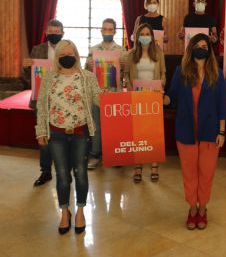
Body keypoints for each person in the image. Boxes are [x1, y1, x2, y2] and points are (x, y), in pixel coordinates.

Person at [35, 40, 101, 234]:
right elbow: (41, 106)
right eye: (62, 54)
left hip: (81, 134)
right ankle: (65, 212)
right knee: (62, 176)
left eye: (70, 53)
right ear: (57, 58)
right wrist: (41, 131)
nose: (67, 57)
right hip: (56, 134)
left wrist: (120, 97)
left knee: (81, 173)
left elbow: (99, 98)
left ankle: (80, 210)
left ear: (76, 55)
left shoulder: (87, 77)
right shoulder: (49, 78)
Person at [164, 34, 226, 230]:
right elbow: (170, 98)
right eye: (198, 45)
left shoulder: (218, 73)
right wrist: (156, 96)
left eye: (205, 46)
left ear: (209, 50)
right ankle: (192, 208)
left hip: (210, 132)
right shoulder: (180, 71)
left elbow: (222, 105)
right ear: (191, 48)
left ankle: (203, 208)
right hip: (186, 132)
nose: (201, 48)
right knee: (189, 174)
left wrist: (222, 132)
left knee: (206, 173)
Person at [22, 19, 65, 187]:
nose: (53, 34)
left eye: (57, 31)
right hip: (41, 100)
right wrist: (26, 67)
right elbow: (28, 77)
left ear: (62, 32)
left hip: (63, 100)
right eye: (51, 31)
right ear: (46, 32)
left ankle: (64, 170)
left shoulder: (68, 48)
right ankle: (46, 170)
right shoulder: (37, 50)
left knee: (62, 136)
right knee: (43, 136)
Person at [124, 23, 166, 183]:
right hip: (137, 98)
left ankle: (154, 166)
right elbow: (126, 74)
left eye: (148, 33)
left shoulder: (159, 52)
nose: (146, 36)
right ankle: (138, 166)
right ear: (137, 36)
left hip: (154, 98)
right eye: (143, 33)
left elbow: (163, 73)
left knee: (154, 133)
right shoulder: (131, 54)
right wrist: (129, 87)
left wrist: (161, 86)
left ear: (152, 36)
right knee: (138, 134)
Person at [84, 18, 126, 170]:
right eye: (105, 29)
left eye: (110, 29)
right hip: (97, 94)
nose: (107, 31)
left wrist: (124, 65)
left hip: (115, 93)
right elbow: (86, 72)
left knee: (115, 125)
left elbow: (126, 73)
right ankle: (95, 154)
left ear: (115, 31)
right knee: (97, 125)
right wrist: (88, 65)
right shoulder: (93, 50)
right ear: (101, 31)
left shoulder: (121, 51)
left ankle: (115, 155)